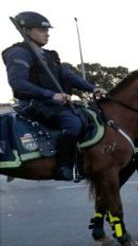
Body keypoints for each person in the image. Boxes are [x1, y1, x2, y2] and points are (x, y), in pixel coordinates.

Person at [2, 11, 106, 181]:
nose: (47, 33)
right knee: (73, 123)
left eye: (47, 30)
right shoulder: (18, 53)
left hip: (53, 103)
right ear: (26, 31)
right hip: (34, 103)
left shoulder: (49, 55)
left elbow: (68, 76)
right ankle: (63, 166)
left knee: (89, 117)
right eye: (41, 30)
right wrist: (51, 95)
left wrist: (93, 88)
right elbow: (18, 82)